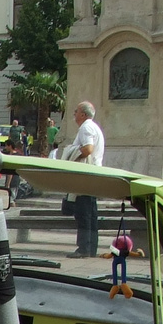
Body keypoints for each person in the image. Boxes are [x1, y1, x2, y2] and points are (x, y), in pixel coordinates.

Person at [61, 100, 106, 258]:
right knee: (90, 213)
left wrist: (72, 154)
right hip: (93, 174)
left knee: (83, 213)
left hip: (85, 175)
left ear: (83, 114)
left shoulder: (86, 127)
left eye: (76, 111)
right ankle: (91, 248)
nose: (74, 114)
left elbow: (88, 149)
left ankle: (83, 249)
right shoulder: (94, 127)